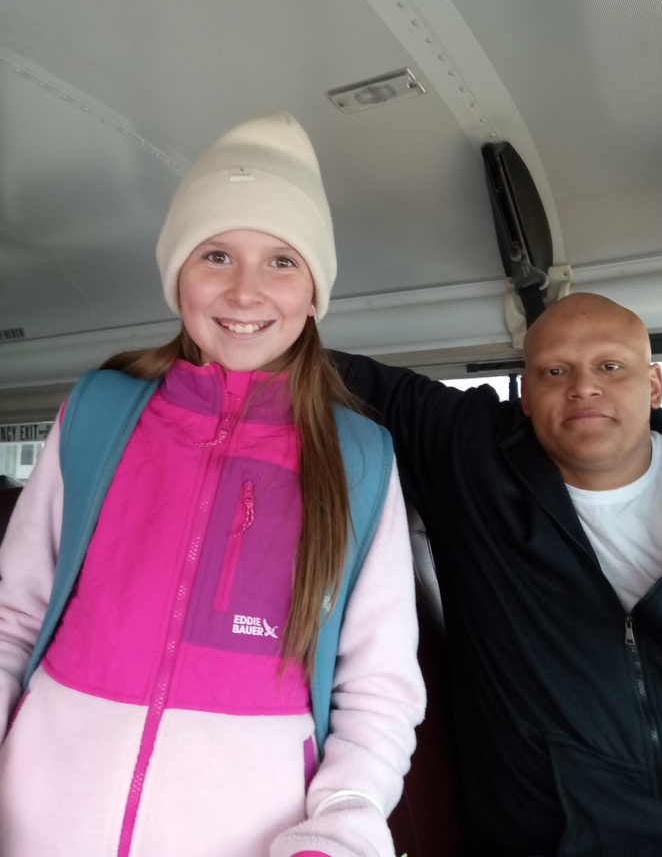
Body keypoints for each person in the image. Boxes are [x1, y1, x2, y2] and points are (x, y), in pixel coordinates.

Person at [0, 113, 425, 857]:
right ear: (177, 274)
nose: (245, 291)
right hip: (39, 825)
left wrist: (342, 827)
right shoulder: (98, 411)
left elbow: (378, 689)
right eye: (217, 254)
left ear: (315, 289)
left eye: (282, 262)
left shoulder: (360, 459)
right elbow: (13, 616)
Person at [335, 292, 662, 857]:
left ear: (655, 384)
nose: (582, 387)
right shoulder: (470, 459)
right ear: (526, 396)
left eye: (610, 367)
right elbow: (317, 367)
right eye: (553, 371)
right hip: (557, 842)